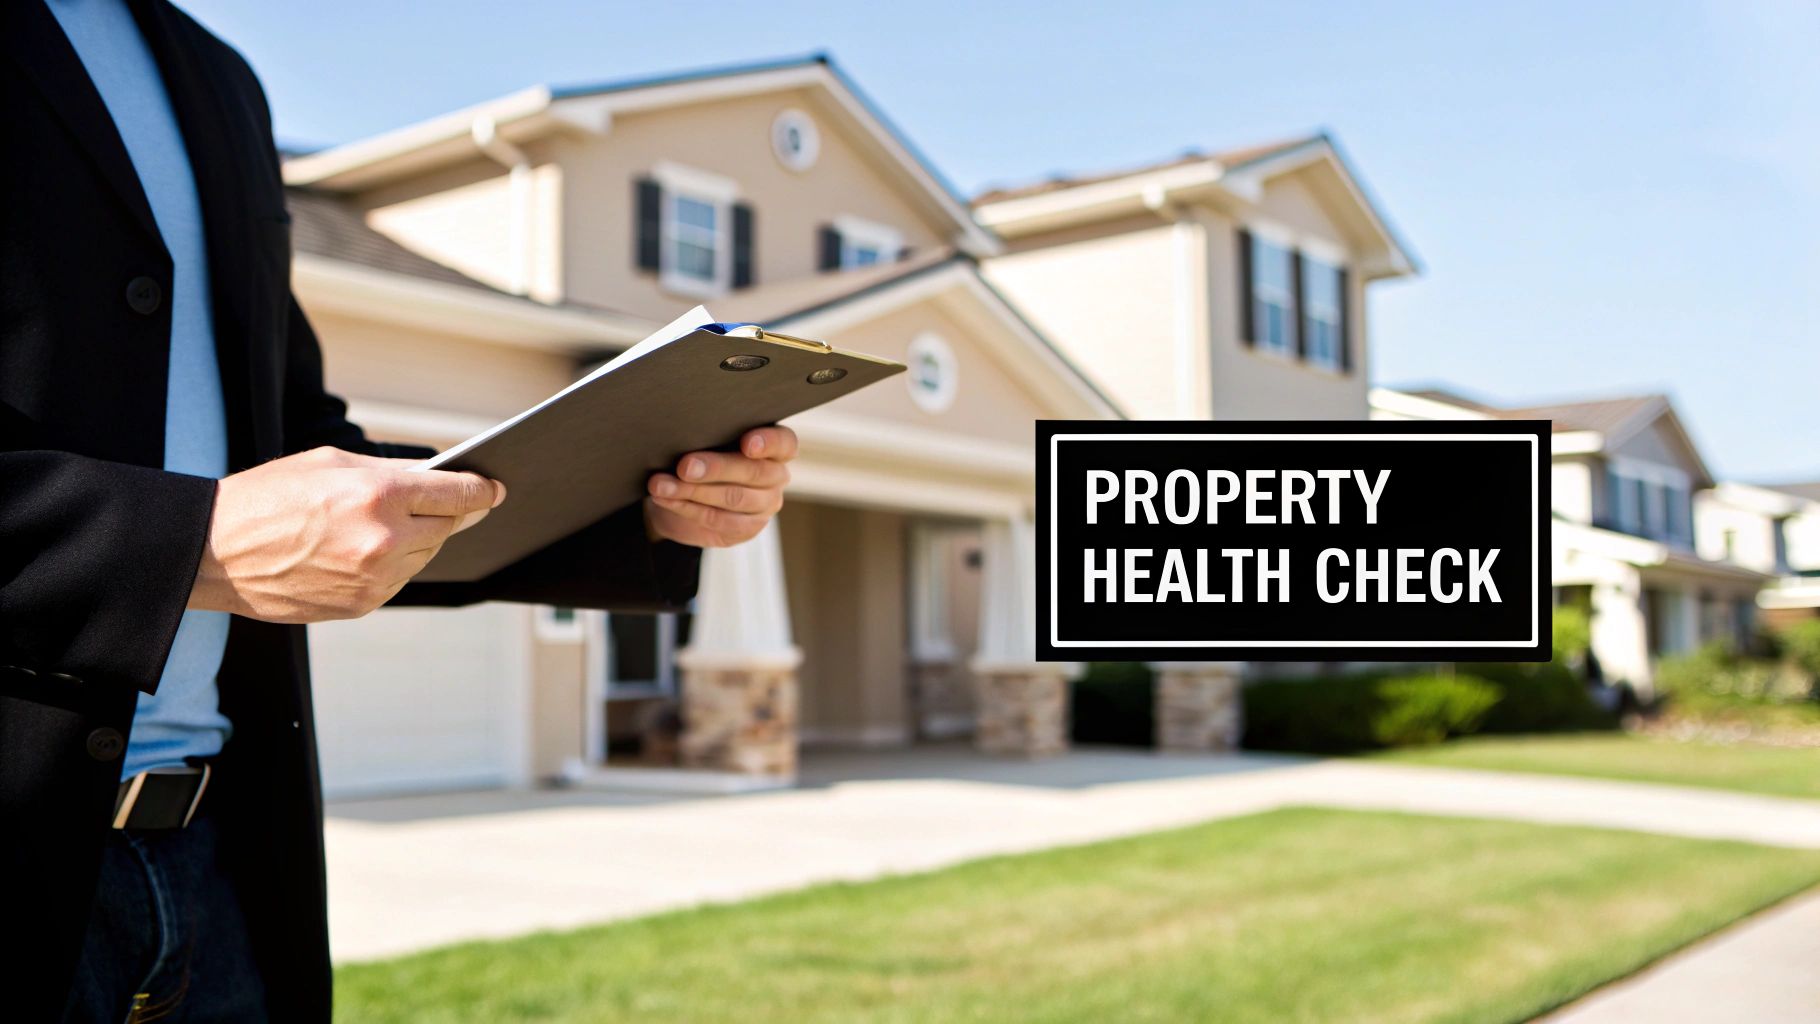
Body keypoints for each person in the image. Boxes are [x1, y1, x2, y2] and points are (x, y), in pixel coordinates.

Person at [1, 1, 797, 1019]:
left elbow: (304, 445)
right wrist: (183, 542)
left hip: (220, 871)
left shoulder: (218, 80)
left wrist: (641, 508)